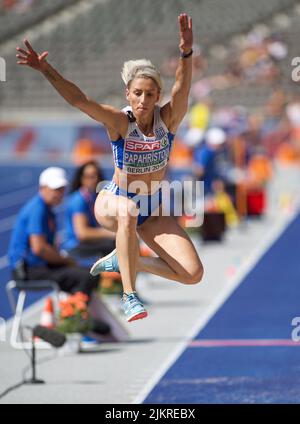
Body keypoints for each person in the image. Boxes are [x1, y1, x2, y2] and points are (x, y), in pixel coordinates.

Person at [16, 13, 204, 323]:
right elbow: (79, 99)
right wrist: (46, 69)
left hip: (152, 209)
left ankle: (130, 260)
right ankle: (130, 296)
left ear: (158, 96)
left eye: (150, 93)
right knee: (128, 210)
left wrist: (186, 52)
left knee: (192, 273)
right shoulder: (120, 122)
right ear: (128, 94)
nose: (144, 99)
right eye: (138, 93)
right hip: (113, 201)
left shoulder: (167, 120)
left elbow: (182, 89)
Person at [8, 167, 99, 297]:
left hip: (38, 266)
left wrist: (64, 259)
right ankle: (74, 313)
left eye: (62, 189)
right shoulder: (37, 209)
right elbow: (39, 249)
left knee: (89, 273)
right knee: (84, 276)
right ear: (42, 188)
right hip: (27, 270)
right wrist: (66, 261)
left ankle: (74, 311)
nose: (59, 193)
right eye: (55, 189)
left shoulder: (47, 209)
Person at [63, 160, 115, 263]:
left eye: (96, 176)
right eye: (88, 176)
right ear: (81, 179)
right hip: (75, 247)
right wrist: (112, 233)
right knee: (114, 245)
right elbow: (82, 234)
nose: (93, 180)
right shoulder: (78, 200)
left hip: (87, 245)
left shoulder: (94, 197)